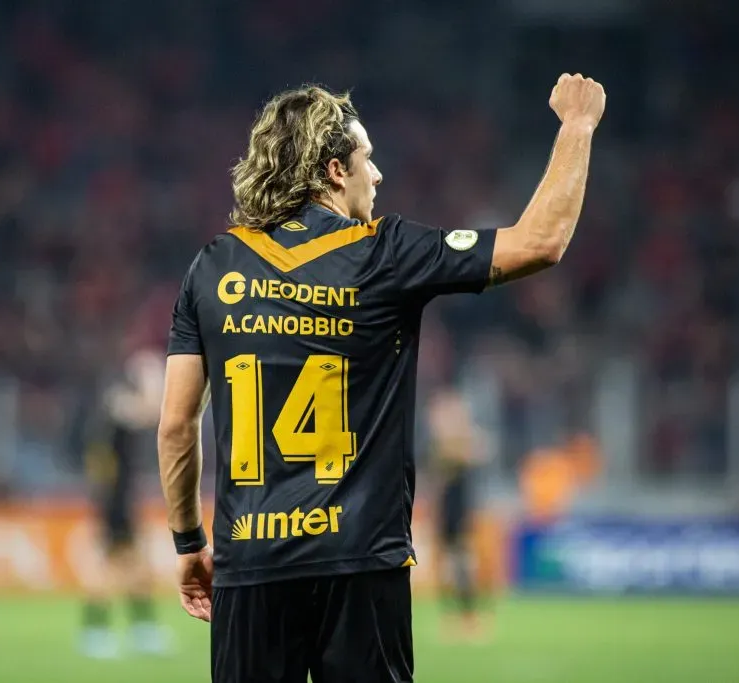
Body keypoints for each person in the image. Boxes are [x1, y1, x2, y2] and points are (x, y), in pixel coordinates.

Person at [157, 74, 606, 682]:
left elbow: (176, 427)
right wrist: (577, 126)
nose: (378, 175)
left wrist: (189, 544)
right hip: (361, 561)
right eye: (367, 159)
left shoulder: (213, 267)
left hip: (251, 562)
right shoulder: (386, 251)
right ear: (334, 171)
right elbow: (540, 242)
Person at [80, 333, 172, 658]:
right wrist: (154, 377)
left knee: (134, 564)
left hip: (121, 493)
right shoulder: (119, 402)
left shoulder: (117, 399)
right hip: (112, 495)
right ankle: (97, 631)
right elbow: (152, 412)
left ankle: (138, 629)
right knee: (111, 565)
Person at [428, 388, 488, 638]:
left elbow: (477, 452)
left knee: (461, 557)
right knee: (447, 559)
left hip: (458, 501)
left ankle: (468, 614)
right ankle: (455, 614)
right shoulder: (448, 442)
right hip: (446, 500)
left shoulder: (461, 438)